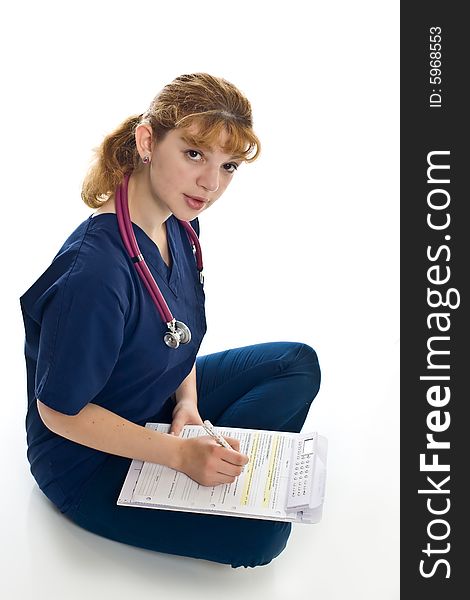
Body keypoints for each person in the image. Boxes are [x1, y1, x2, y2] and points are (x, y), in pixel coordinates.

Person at [20, 72, 321, 568]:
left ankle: (216, 461)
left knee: (296, 364)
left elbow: (177, 334)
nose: (212, 183)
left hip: (155, 401)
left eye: (228, 167)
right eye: (194, 154)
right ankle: (210, 469)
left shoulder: (180, 224)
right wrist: (178, 455)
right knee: (262, 540)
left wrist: (188, 409)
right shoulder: (93, 274)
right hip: (87, 461)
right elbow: (58, 411)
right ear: (147, 141)